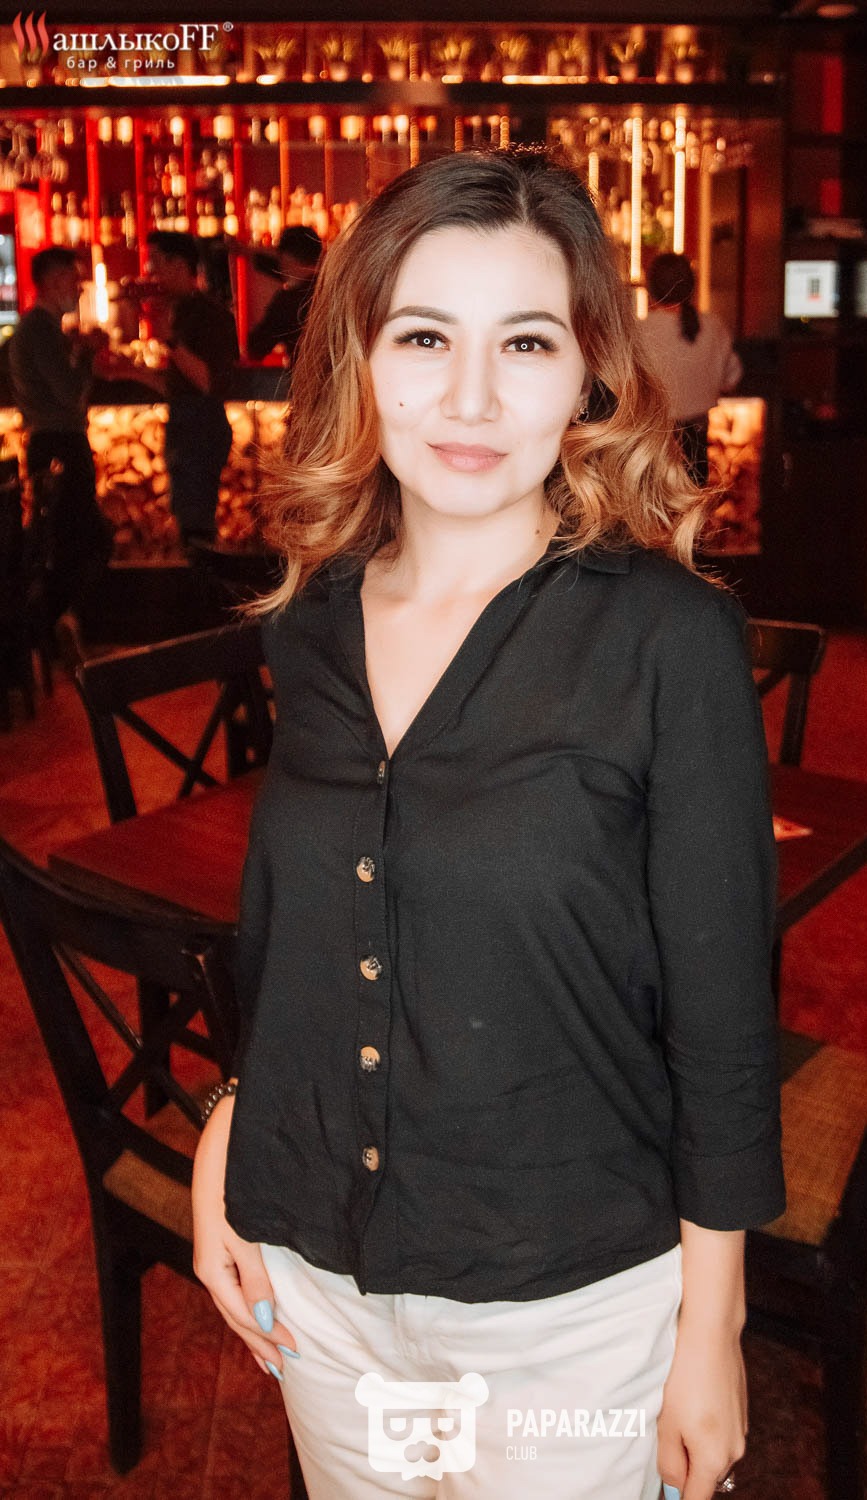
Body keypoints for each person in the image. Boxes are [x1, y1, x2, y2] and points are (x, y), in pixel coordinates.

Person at [192, 148, 783, 1500]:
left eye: (523, 341)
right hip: (323, 1288)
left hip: (566, 1310)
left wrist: (712, 1329)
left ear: (587, 373)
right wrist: (234, 1111)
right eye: (423, 337)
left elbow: (722, 1021)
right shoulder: (312, 619)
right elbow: (308, 932)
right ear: (359, 360)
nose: (469, 398)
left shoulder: (668, 640)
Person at [8, 246, 111, 636]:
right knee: (81, 539)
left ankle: (58, 624)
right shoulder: (39, 329)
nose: (80, 288)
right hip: (59, 443)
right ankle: (56, 622)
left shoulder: (44, 329)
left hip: (52, 441)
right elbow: (70, 393)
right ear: (53, 281)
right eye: (73, 278)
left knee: (71, 537)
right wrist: (88, 354)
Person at [119, 230, 239, 545]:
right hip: (185, 421)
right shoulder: (179, 311)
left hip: (201, 426)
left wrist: (170, 340)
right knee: (187, 518)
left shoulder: (211, 315)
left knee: (196, 523)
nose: (150, 272)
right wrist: (125, 372)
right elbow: (175, 384)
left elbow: (209, 383)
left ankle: (202, 574)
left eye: (156, 263)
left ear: (180, 265)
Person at [637, 253, 743, 487]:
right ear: (691, 287)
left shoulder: (637, 331)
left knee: (653, 504)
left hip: (649, 442)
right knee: (692, 501)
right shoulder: (713, 326)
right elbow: (731, 379)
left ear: (649, 288)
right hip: (696, 441)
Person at [230, 224, 324, 366]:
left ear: (286, 258)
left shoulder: (288, 301)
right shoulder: (333, 287)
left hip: (306, 376)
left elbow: (256, 347)